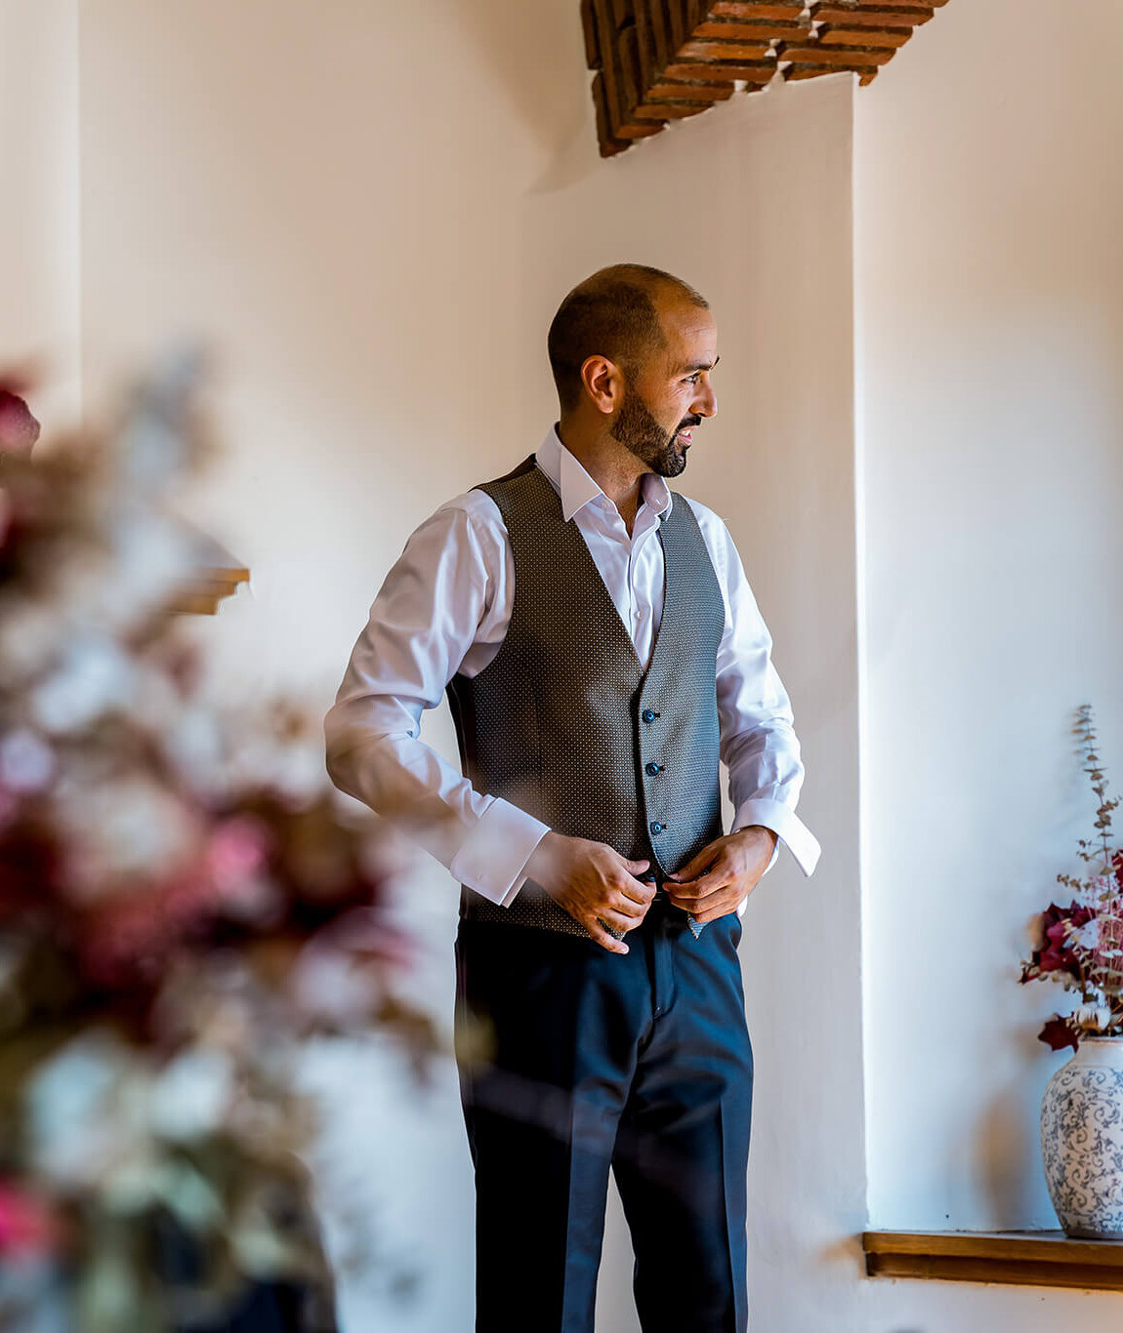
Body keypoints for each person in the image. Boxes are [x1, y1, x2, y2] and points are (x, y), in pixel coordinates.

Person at [323, 264, 820, 1332]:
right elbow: (360, 729)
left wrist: (760, 837)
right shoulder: (476, 535)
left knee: (708, 1293)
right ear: (604, 382)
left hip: (697, 976)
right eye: (688, 374)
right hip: (537, 976)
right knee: (537, 1294)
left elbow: (761, 719)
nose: (707, 400)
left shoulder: (708, 544)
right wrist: (536, 853)